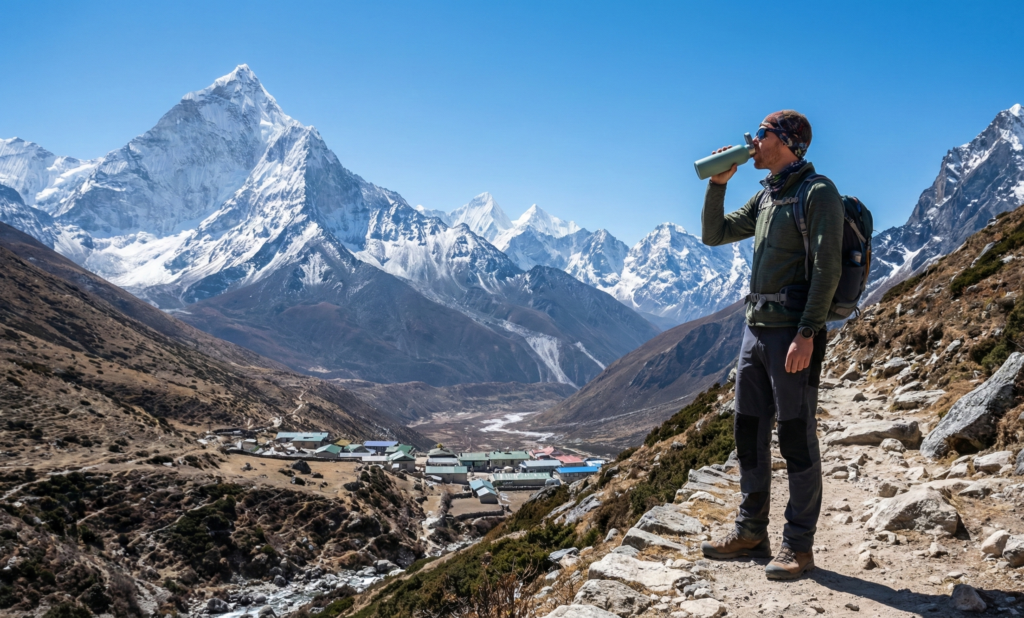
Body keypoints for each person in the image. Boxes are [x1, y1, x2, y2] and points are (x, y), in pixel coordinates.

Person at [699, 110, 844, 580]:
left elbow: (827, 269)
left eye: (758, 134)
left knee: (796, 438)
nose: (752, 141)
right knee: (748, 432)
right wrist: (717, 184)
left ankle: (798, 545)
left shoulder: (816, 193)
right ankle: (750, 531)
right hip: (754, 331)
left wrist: (807, 332)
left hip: (791, 335)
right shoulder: (767, 196)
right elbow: (713, 234)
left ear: (785, 141)